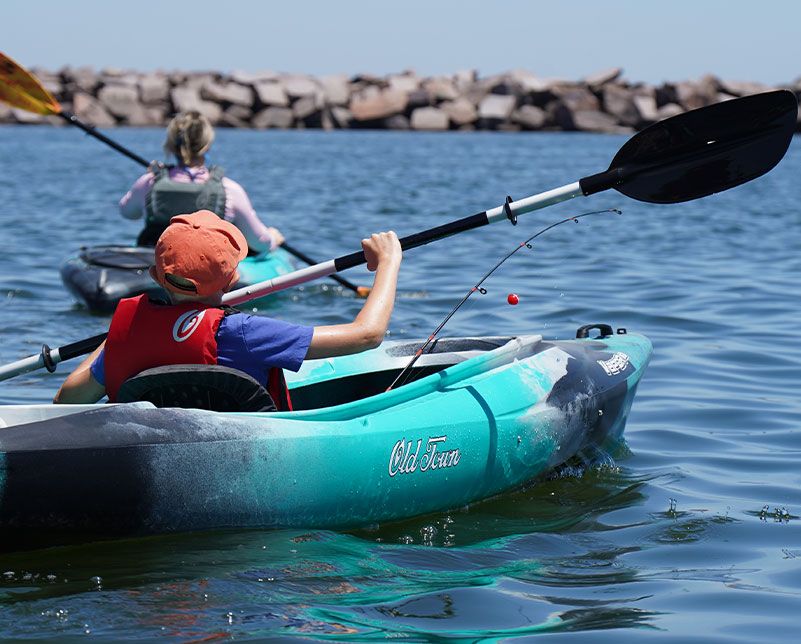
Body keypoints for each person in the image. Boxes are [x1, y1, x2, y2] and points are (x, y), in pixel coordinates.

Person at [54, 210, 402, 407]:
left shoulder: (129, 330)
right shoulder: (243, 334)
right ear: (233, 280)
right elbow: (367, 336)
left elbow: (68, 400)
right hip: (247, 462)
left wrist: (118, 335)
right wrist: (388, 261)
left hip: (149, 456)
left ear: (155, 276)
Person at [119, 110, 284, 251]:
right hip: (206, 271)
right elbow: (259, 242)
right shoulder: (229, 189)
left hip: (157, 264)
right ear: (207, 145)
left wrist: (153, 177)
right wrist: (273, 239)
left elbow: (127, 213)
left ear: (169, 145)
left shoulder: (149, 182)